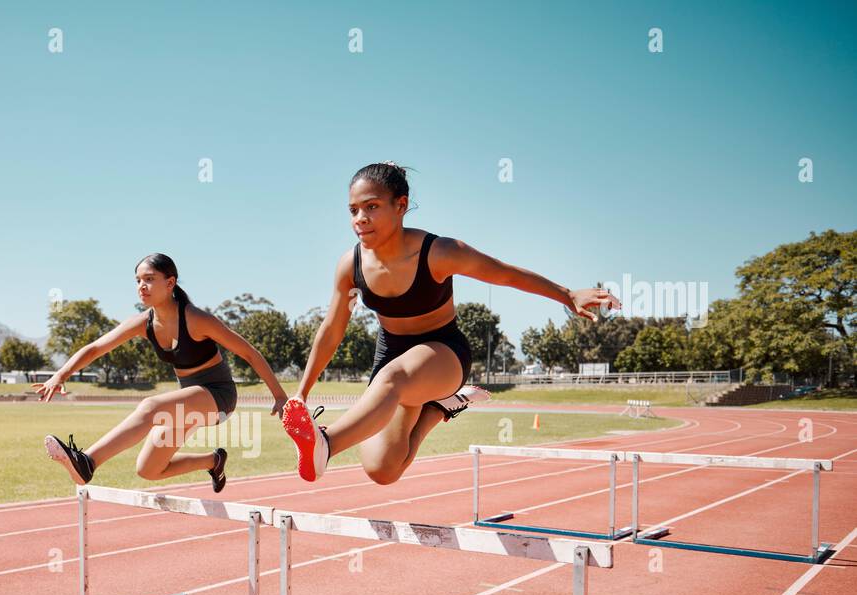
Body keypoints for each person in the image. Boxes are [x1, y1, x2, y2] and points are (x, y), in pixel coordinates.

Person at [282, 162, 619, 482]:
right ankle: (438, 409)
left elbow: (503, 274)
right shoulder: (350, 265)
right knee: (382, 470)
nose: (360, 218)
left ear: (401, 205)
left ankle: (325, 444)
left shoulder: (438, 252)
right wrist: (301, 393)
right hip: (392, 353)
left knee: (393, 377)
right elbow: (332, 329)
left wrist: (567, 294)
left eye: (372, 207)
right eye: (353, 210)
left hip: (443, 352)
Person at [37, 253, 288, 492]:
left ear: (170, 283)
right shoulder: (143, 323)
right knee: (149, 469)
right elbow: (95, 349)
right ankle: (213, 461)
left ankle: (87, 462)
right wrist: (61, 374)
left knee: (150, 406)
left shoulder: (195, 319)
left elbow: (249, 353)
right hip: (187, 403)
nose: (142, 286)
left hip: (218, 397)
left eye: (149, 279)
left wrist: (279, 395)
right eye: (138, 280)